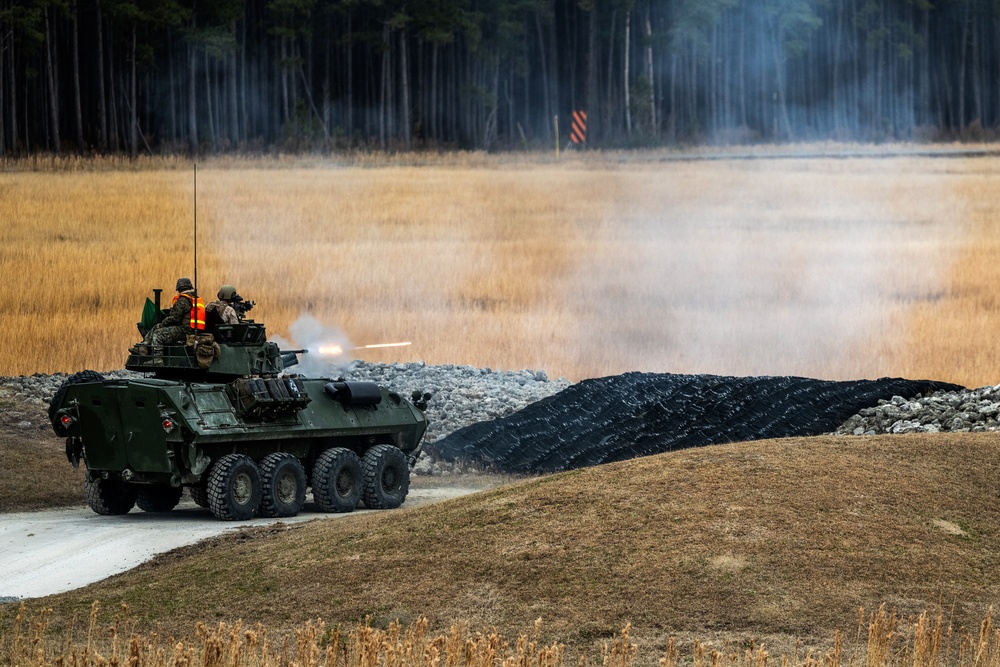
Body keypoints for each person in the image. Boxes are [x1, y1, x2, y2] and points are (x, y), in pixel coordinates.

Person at [139, 277, 206, 356]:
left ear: (179, 288)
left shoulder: (182, 300)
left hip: (184, 330)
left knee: (158, 333)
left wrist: (163, 323)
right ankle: (144, 346)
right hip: (193, 330)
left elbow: (174, 319)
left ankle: (157, 359)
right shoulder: (196, 299)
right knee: (158, 328)